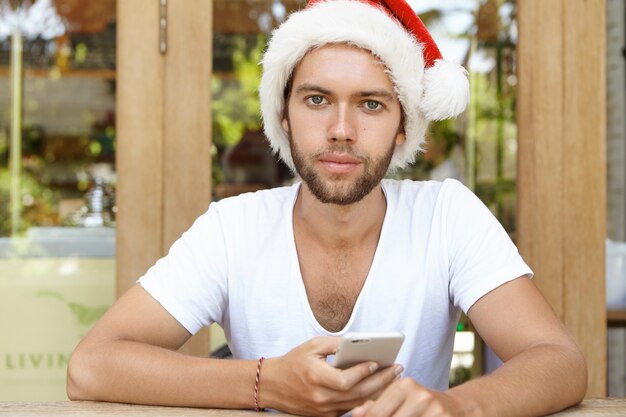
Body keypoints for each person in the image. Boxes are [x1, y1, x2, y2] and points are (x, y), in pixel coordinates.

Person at [66, 1, 587, 416]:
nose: (341, 129)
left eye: (371, 103)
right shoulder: (234, 227)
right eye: (317, 100)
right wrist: (265, 383)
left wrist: (455, 407)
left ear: (403, 126)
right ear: (284, 116)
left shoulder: (446, 216)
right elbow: (91, 366)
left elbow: (559, 361)